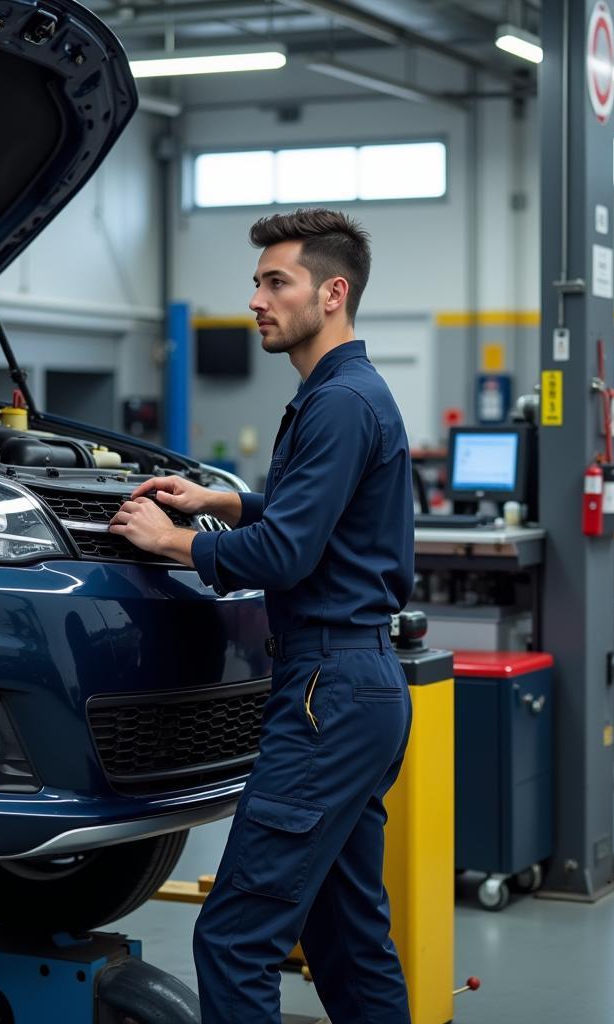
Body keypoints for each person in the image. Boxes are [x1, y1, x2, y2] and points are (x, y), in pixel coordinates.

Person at [109, 208, 415, 1023]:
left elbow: (286, 555)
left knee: (236, 938)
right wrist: (224, 500)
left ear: (333, 292)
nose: (257, 300)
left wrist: (174, 539)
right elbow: (314, 517)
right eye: (256, 282)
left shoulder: (339, 404)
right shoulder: (344, 394)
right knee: (348, 939)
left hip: (327, 692)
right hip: (358, 687)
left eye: (277, 282)